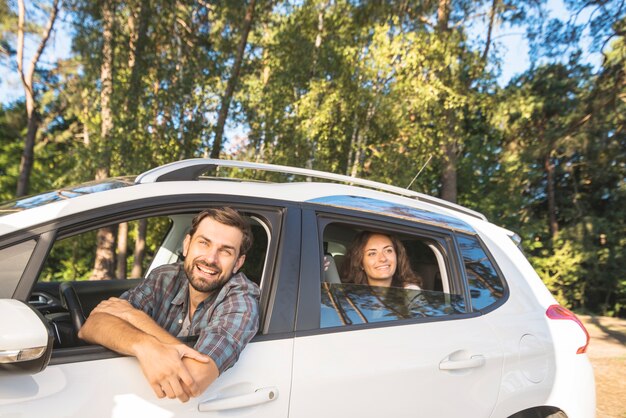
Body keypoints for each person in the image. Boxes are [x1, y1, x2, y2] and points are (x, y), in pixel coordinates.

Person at [78, 208, 260, 403]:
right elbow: (92, 326)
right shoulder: (166, 277)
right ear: (187, 244)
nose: (210, 259)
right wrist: (144, 345)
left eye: (225, 251)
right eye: (204, 243)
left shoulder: (242, 299)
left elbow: (194, 378)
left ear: (238, 263)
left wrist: (135, 317)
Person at [340, 231, 422, 289]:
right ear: (360, 263)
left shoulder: (409, 292)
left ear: (397, 256)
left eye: (388, 251)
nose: (382, 258)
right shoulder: (352, 296)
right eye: (372, 253)